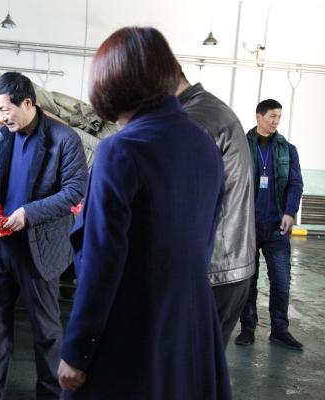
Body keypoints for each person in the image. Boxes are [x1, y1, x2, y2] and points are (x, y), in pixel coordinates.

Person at [58, 27, 231, 399]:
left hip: (132, 330)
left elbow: (102, 263)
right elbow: (204, 242)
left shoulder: (120, 150)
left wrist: (77, 351)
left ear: (112, 83)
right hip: (190, 325)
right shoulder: (204, 144)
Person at [0, 71, 88, 400]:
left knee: (46, 333)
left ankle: (51, 396)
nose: (1, 117)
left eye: (5, 109)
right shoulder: (1, 136)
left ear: (27, 103)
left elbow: (74, 192)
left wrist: (28, 214)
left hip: (38, 249)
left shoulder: (63, 139)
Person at [176, 71, 256, 347]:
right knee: (204, 362)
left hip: (210, 271)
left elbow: (180, 206)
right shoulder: (212, 109)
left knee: (186, 364)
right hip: (230, 265)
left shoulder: (194, 121)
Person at [234, 99, 304, 350]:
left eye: (279, 117)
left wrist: (290, 212)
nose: (276, 121)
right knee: (248, 282)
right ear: (259, 117)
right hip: (248, 226)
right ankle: (247, 328)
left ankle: (280, 330)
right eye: (272, 116)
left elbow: (295, 183)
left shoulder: (287, 149)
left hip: (277, 227)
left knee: (281, 281)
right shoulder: (241, 145)